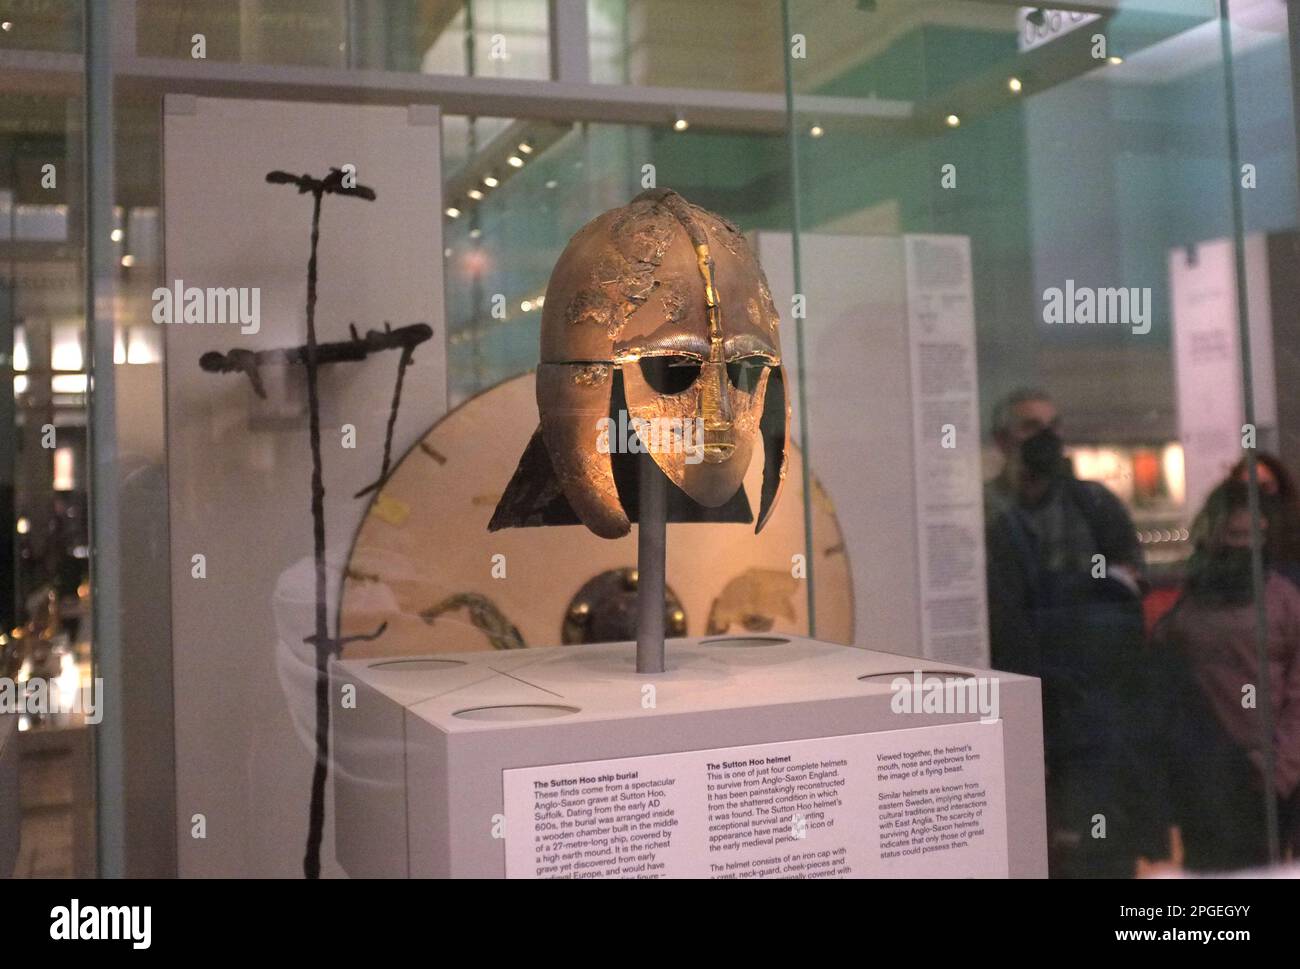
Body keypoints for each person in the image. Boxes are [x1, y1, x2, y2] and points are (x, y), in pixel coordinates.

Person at [983, 388, 1150, 876]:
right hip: (1014, 700)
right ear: (1002, 439)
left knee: (1096, 851)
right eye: (1031, 427)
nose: (1048, 439)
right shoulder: (986, 510)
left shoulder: (1095, 506)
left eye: (1054, 426)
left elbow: (1128, 587)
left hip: (1089, 708)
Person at [1144, 480, 1300, 871]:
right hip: (1209, 773)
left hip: (1261, 773)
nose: (1246, 545)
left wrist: (1279, 766)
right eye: (1236, 534)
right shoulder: (1193, 597)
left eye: (1255, 535)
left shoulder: (1281, 598)